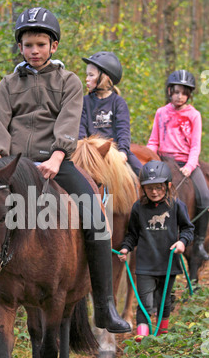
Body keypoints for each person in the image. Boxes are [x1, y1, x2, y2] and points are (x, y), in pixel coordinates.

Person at [0, 7, 131, 334]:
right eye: (28, 45)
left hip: (56, 161)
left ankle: (104, 306)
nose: (34, 51)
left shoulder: (68, 81)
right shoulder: (8, 84)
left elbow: (69, 121)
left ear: (53, 46)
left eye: (40, 44)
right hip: (12, 165)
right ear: (20, 47)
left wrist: (56, 156)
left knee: (94, 212)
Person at [118, 160, 194, 340]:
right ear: (142, 188)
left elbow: (188, 228)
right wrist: (125, 248)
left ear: (167, 186)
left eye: (158, 187)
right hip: (144, 264)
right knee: (144, 303)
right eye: (149, 188)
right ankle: (142, 336)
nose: (154, 192)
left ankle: (161, 335)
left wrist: (182, 242)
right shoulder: (138, 208)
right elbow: (132, 234)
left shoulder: (176, 206)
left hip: (168, 263)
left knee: (164, 302)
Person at [147, 70, 209, 261]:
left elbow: (195, 145)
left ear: (189, 95)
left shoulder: (194, 115)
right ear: (169, 91)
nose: (179, 96)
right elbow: (153, 141)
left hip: (186, 162)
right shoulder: (161, 112)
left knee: (204, 197)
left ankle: (198, 243)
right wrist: (150, 159)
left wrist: (190, 166)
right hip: (165, 161)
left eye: (183, 92)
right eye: (175, 91)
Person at [78, 51, 142, 176]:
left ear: (104, 77)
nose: (86, 79)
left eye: (91, 75)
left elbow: (123, 129)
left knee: (142, 173)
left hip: (115, 150)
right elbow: (81, 128)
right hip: (91, 151)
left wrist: (123, 151)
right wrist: (82, 148)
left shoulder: (118, 102)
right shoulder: (84, 102)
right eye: (87, 75)